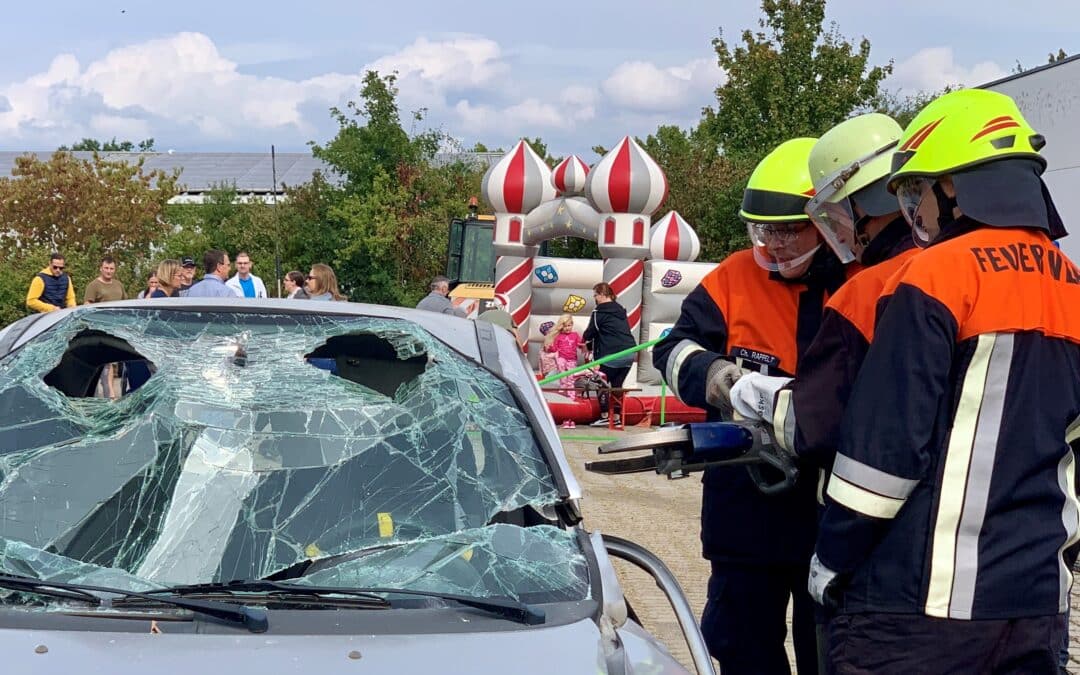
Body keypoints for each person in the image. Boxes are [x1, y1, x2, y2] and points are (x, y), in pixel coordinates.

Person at [811, 89, 1076, 674]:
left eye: (915, 191)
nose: (915, 211)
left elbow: (882, 457)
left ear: (954, 186)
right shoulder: (1073, 284)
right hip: (1035, 606)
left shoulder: (934, 275)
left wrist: (831, 558)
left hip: (916, 609)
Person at [653, 137, 852, 675]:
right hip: (745, 511)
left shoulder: (860, 283)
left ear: (829, 221)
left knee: (830, 656)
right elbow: (671, 349)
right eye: (763, 230)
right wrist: (718, 377)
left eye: (788, 229)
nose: (774, 244)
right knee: (740, 649)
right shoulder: (737, 277)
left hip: (828, 519)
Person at [582, 282, 636, 427]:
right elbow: (610, 332)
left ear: (602, 294)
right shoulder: (620, 310)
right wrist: (589, 345)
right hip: (629, 352)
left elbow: (590, 332)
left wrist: (584, 343)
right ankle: (617, 418)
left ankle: (605, 415)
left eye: (595, 295)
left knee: (601, 383)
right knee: (617, 385)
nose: (595, 299)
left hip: (612, 354)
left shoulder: (598, 312)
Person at [544, 314, 584, 428]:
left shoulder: (575, 335)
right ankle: (565, 412)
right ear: (561, 326)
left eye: (570, 325)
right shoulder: (559, 336)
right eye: (566, 326)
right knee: (563, 380)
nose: (568, 328)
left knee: (571, 380)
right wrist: (549, 347)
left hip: (572, 360)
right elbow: (554, 348)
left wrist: (585, 346)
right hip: (562, 359)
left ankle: (571, 413)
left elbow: (580, 345)